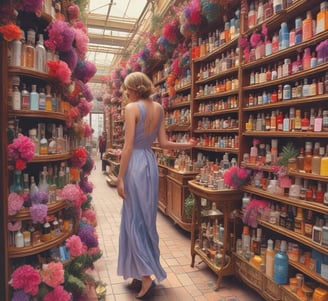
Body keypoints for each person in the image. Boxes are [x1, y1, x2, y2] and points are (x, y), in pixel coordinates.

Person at [116, 72, 197, 299]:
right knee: (146, 220)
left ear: (134, 88)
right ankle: (138, 271)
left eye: (127, 88)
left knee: (133, 219)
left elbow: (128, 146)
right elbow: (163, 143)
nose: (126, 93)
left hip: (135, 166)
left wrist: (120, 177)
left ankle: (145, 278)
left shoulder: (131, 108)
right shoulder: (159, 108)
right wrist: (185, 145)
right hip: (150, 164)